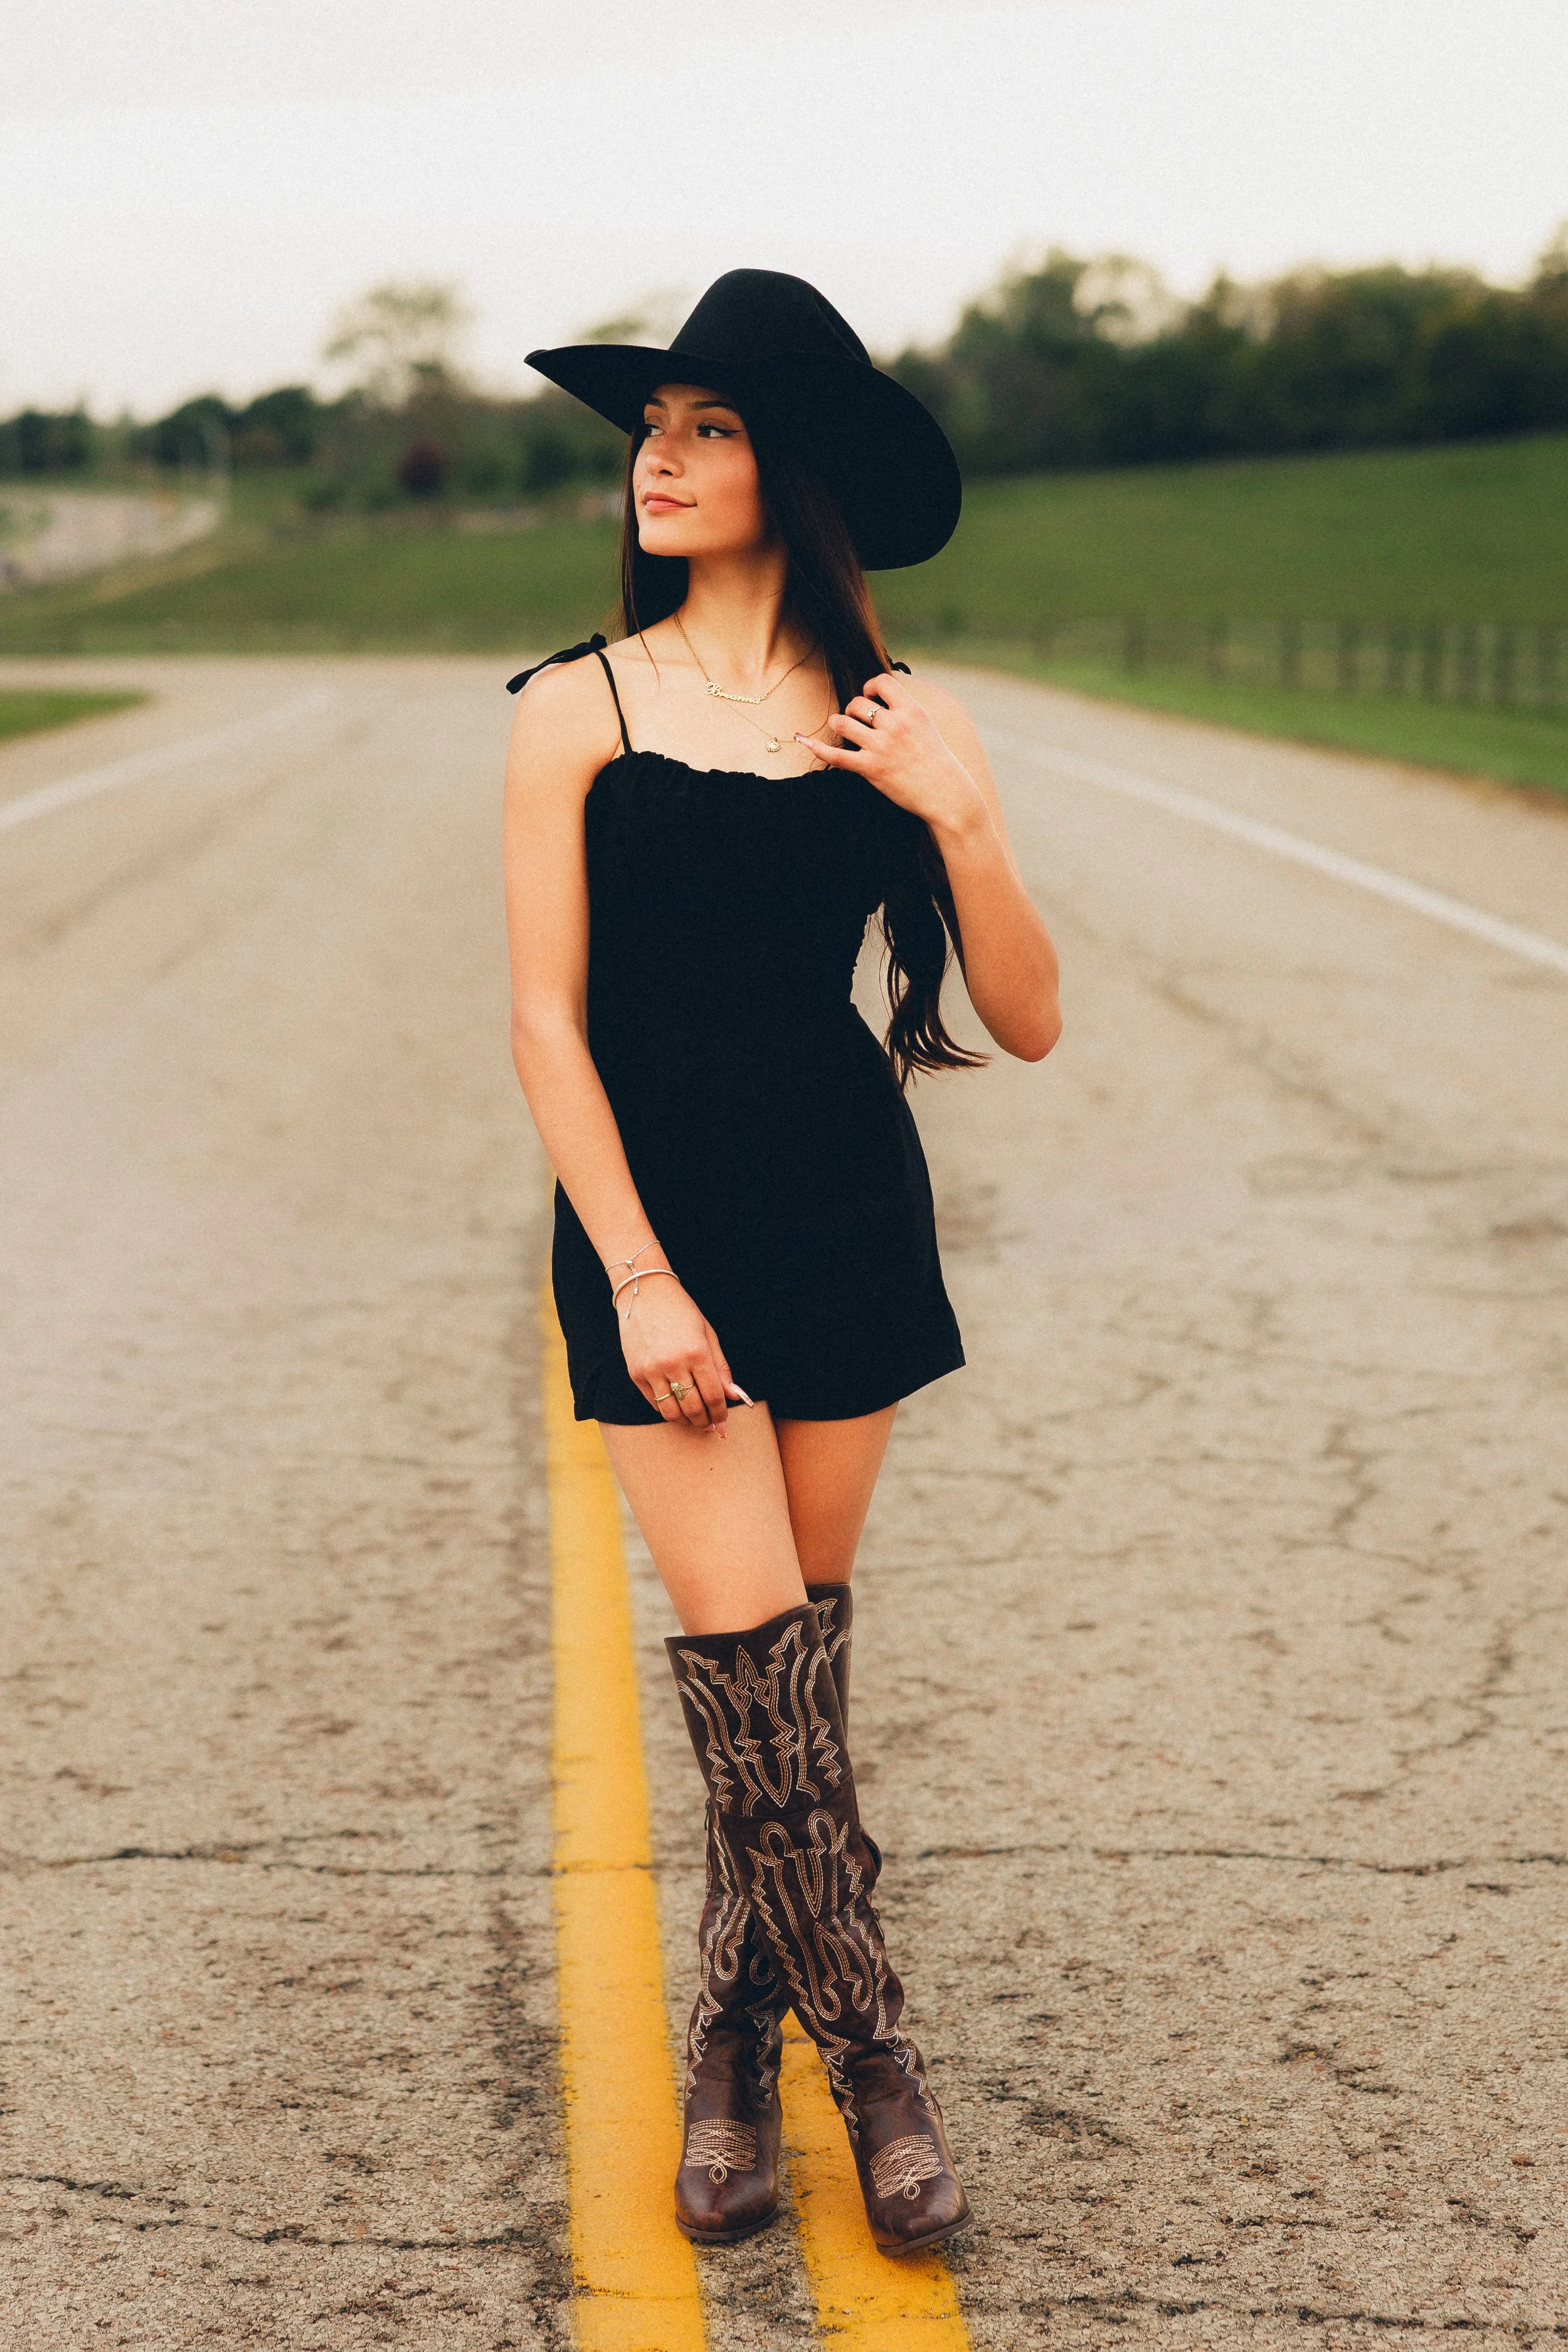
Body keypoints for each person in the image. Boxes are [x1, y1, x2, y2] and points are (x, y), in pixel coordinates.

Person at [502, 270, 1060, 2256]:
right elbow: (548, 1025)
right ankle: (881, 2062)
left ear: (785, 467)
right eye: (651, 425)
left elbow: (1026, 1013)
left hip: (841, 1212)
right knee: (756, 1668)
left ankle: (731, 2047)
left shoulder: (885, 714)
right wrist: (640, 1275)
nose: (659, 454)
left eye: (709, 426)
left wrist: (964, 817)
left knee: (789, 1693)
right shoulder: (577, 704)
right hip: (656, 1240)